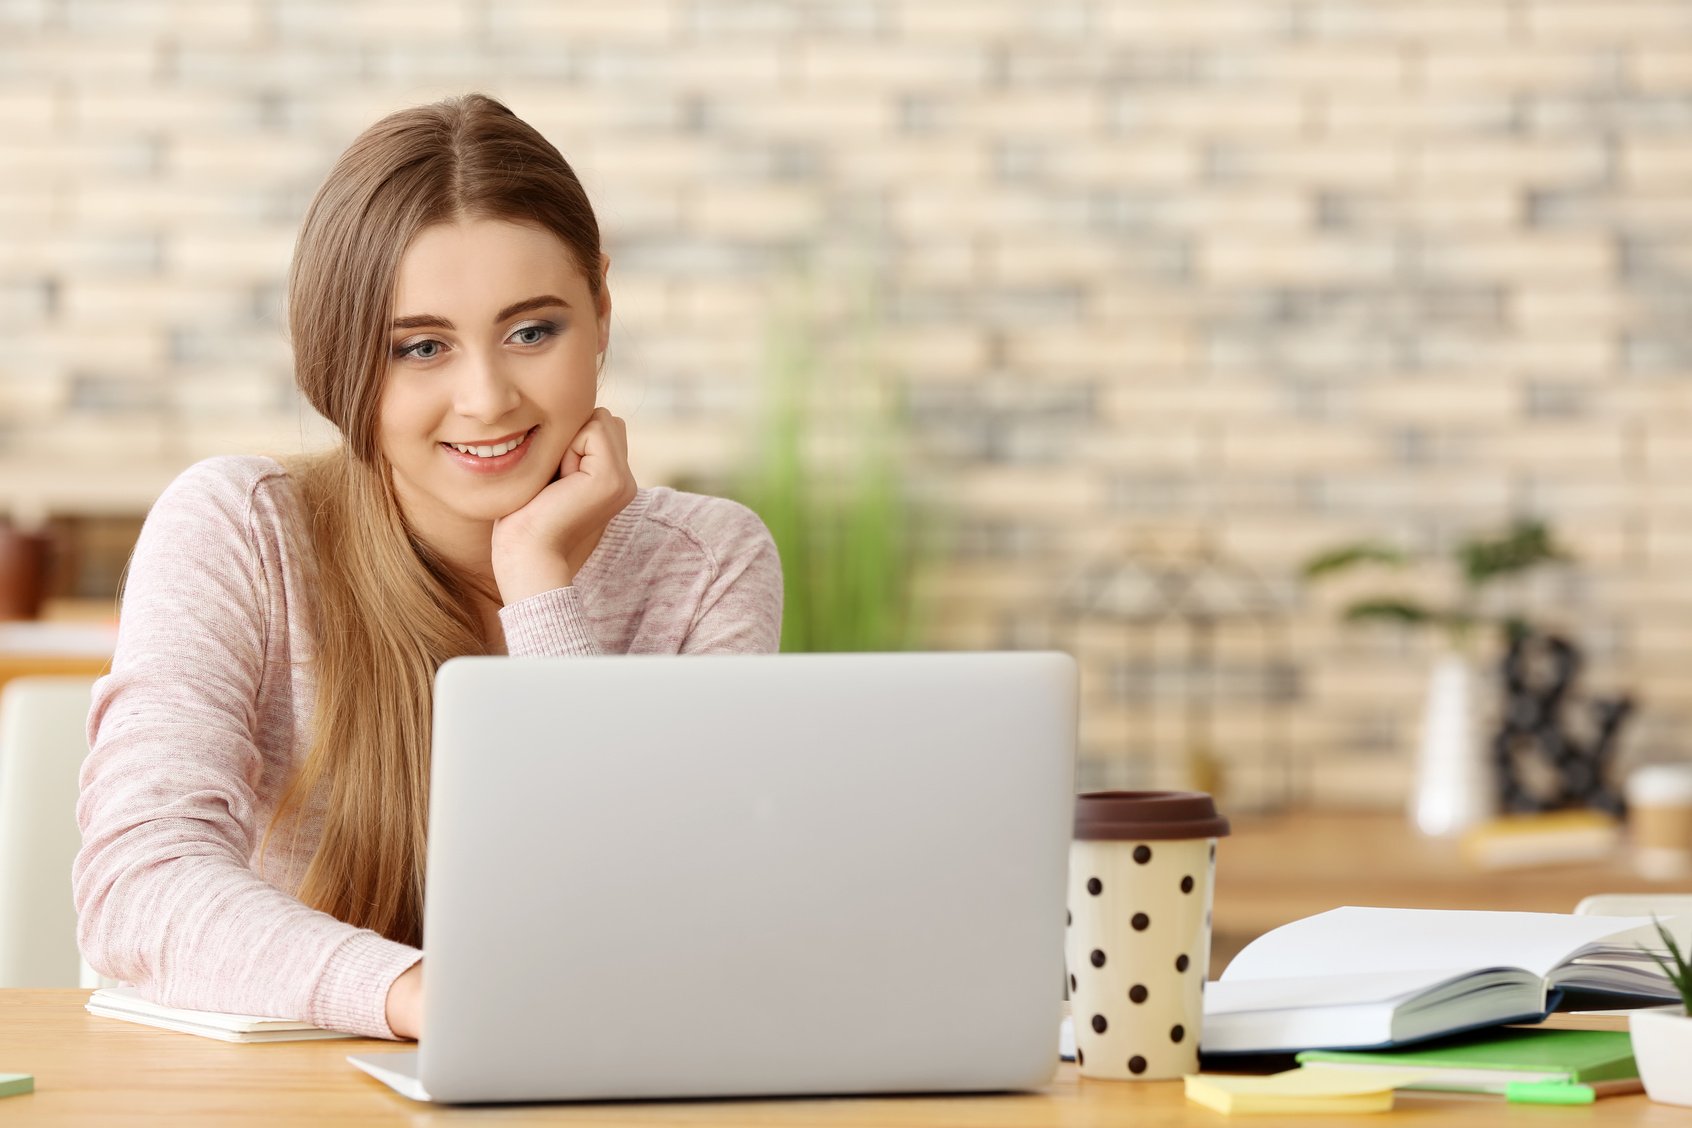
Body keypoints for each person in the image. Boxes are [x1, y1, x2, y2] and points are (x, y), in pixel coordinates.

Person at [72, 93, 784, 1041]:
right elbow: (139, 884)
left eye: (534, 331)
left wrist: (540, 587)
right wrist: (420, 996)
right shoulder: (241, 531)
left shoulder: (707, 564)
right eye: (420, 348)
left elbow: (665, 916)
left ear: (602, 312)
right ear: (342, 356)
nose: (486, 399)